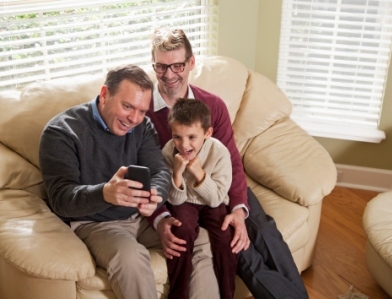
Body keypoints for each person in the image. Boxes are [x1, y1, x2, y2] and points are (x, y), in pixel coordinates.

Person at [147, 27, 309, 298]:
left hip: (222, 183)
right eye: (161, 67)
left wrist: (238, 209)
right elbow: (149, 175)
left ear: (191, 63)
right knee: (239, 247)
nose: (169, 74)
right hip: (185, 195)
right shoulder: (144, 112)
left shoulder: (213, 105)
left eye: (177, 65)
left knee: (265, 231)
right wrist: (159, 217)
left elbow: (232, 162)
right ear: (153, 65)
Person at [39, 64, 171, 299]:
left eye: (142, 111)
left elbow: (160, 172)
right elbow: (60, 199)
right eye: (127, 106)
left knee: (198, 238)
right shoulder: (61, 131)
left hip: (140, 218)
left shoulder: (142, 126)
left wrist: (156, 195)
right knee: (130, 257)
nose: (134, 118)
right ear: (104, 94)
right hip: (95, 224)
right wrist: (104, 194)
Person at [161, 98, 237, 299]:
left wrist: (199, 174)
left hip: (212, 202)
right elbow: (175, 201)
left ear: (207, 133)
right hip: (184, 201)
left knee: (225, 235)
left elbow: (216, 199)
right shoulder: (169, 151)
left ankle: (227, 293)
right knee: (181, 230)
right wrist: (177, 174)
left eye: (192, 137)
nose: (184, 145)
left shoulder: (219, 152)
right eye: (177, 137)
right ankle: (179, 294)